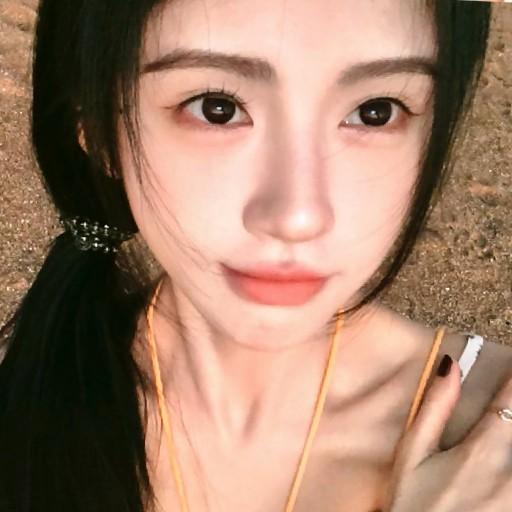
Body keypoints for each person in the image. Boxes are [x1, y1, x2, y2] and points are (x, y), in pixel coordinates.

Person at [0, 1, 511, 511]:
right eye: (216, 108)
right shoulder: (27, 392)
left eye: (375, 112)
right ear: (100, 134)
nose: (297, 217)